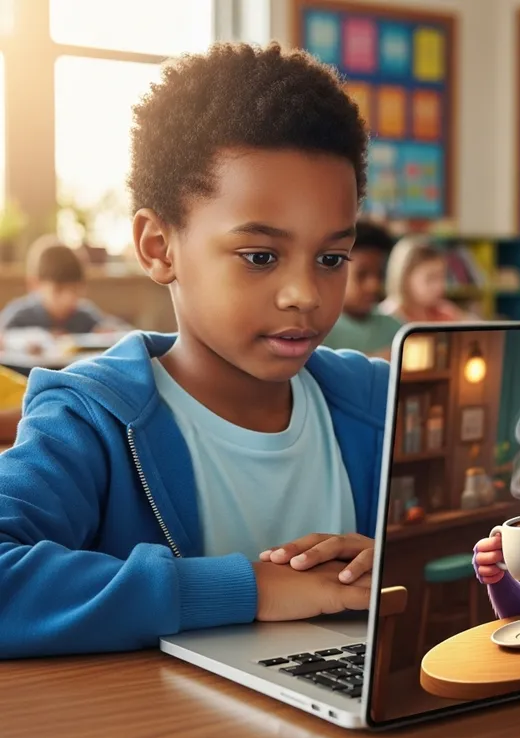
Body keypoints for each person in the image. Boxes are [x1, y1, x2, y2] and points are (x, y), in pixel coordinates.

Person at [0, 42, 382, 660]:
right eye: (260, 256)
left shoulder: (379, 403)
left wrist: (417, 569)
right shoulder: (91, 420)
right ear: (159, 246)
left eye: (332, 258)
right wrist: (247, 589)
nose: (305, 295)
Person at [0, 235, 114, 334]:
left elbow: (113, 328)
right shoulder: (18, 316)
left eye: (75, 290)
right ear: (35, 284)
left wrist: (105, 332)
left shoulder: (84, 315)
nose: (67, 299)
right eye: (58, 290)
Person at [322, 219, 402, 359]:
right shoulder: (320, 333)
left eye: (379, 274)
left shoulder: (395, 329)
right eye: (362, 275)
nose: (374, 285)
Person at [379, 235, 468, 322]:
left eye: (443, 277)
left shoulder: (446, 313)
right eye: (431, 278)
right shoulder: (388, 318)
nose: (440, 286)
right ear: (405, 278)